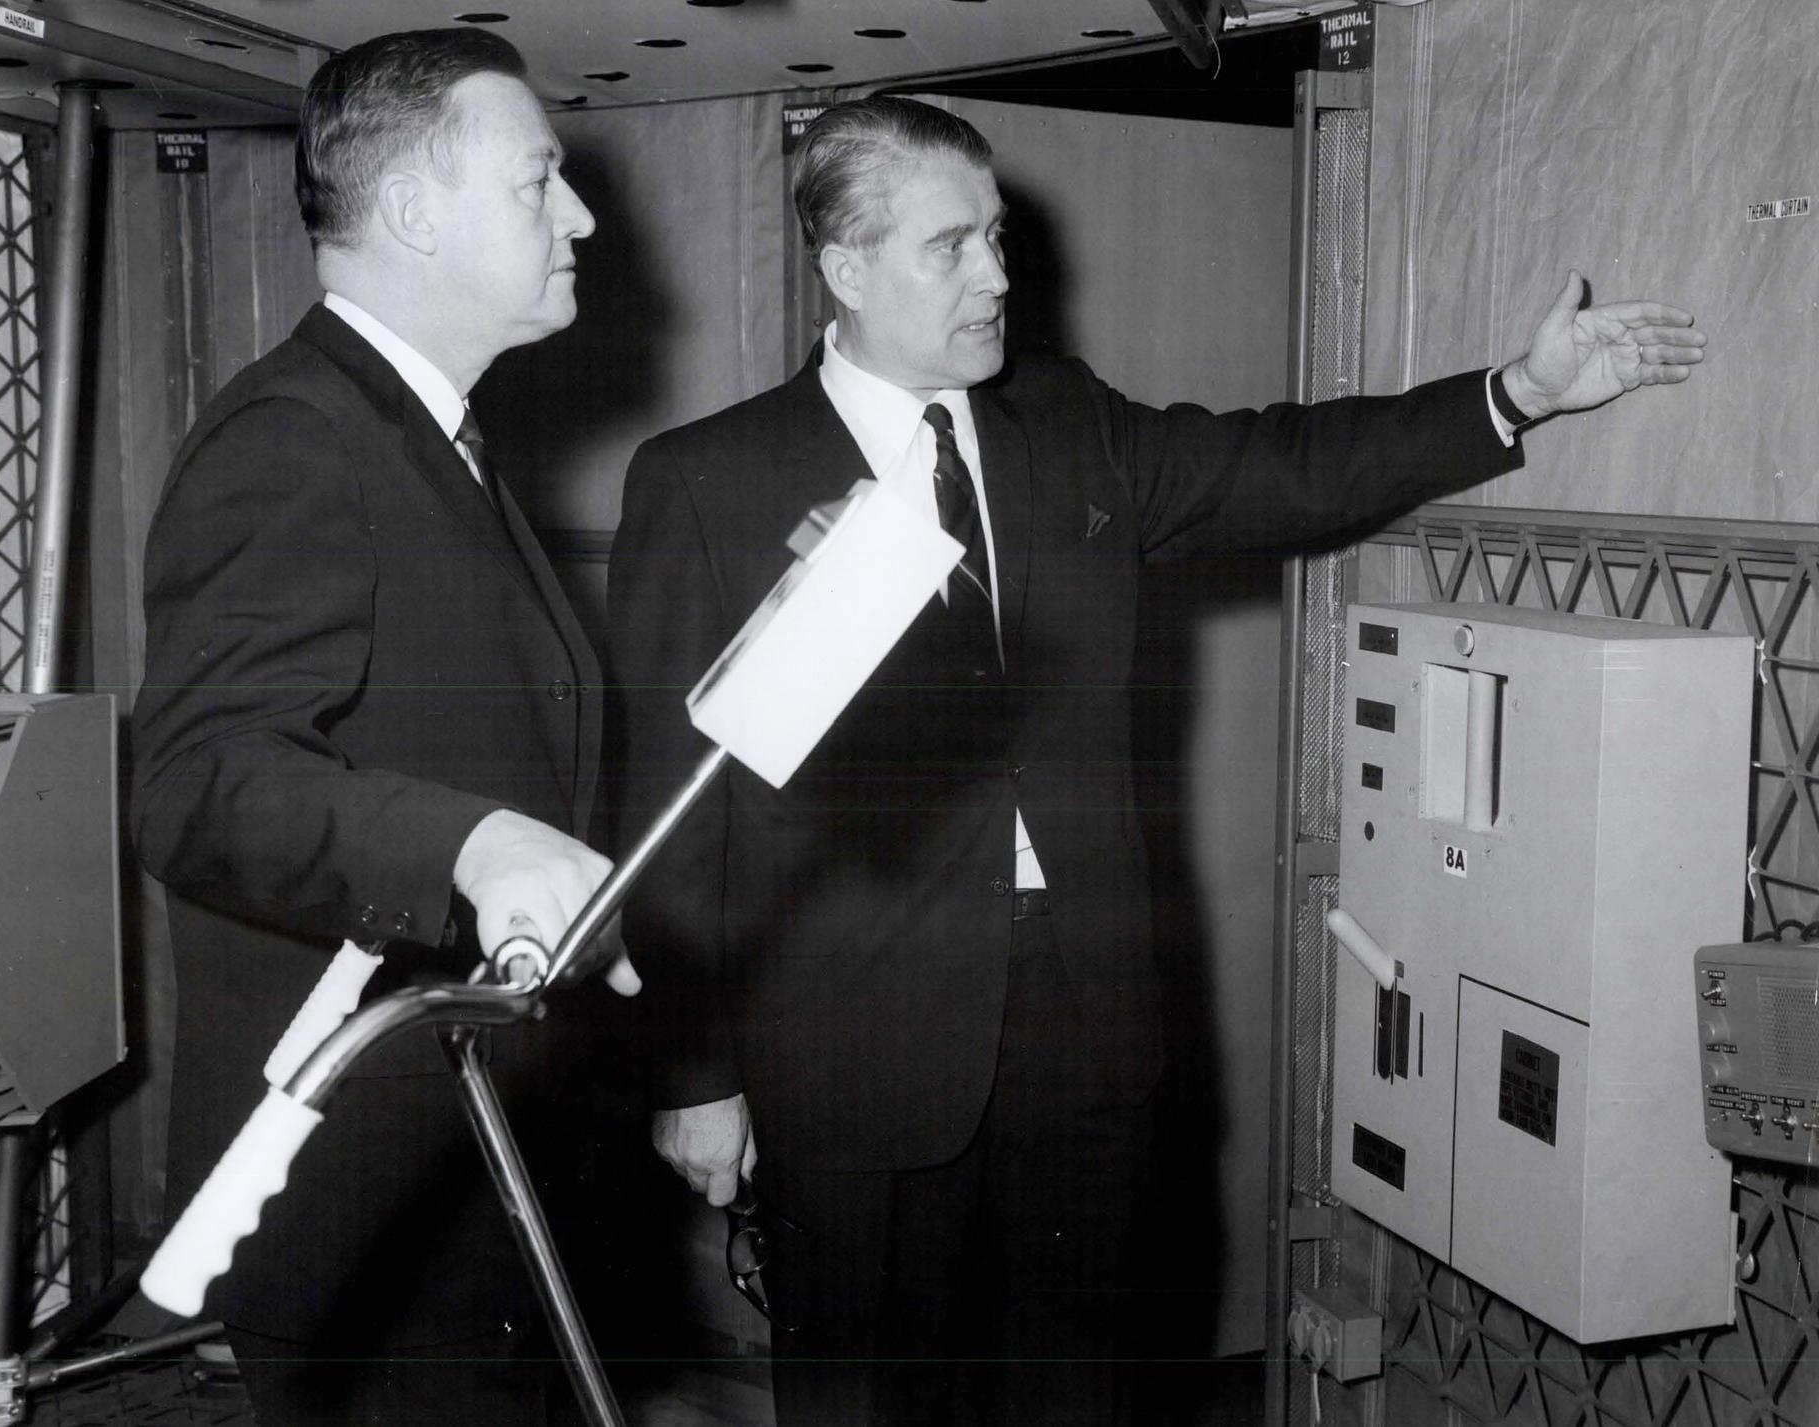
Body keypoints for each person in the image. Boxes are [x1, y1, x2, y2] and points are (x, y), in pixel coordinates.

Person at [605, 95, 1707, 1426]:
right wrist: (694, 1077)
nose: (999, 279)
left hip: (1085, 1035)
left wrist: (1519, 393)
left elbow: (1283, 464)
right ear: (844, 267)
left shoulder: (1069, 427)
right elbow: (667, 804)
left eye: (998, 240)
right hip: (854, 1055)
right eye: (951, 248)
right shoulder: (706, 482)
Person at [130, 28, 637, 1425]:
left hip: (468, 1170)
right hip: (370, 1199)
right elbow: (197, 779)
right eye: (541, 180)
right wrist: (467, 844)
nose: (582, 213)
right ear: (416, 212)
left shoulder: (431, 438)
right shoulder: (294, 438)